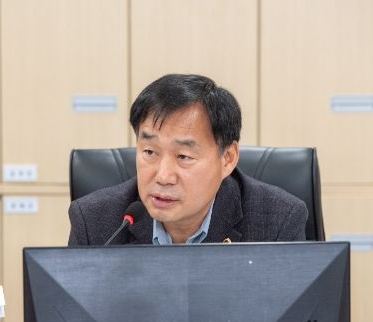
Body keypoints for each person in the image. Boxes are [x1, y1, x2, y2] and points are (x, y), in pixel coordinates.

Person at [68, 74, 307, 245]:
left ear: (228, 159)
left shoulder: (278, 222)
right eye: (149, 152)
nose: (163, 177)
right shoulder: (95, 223)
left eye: (183, 156)